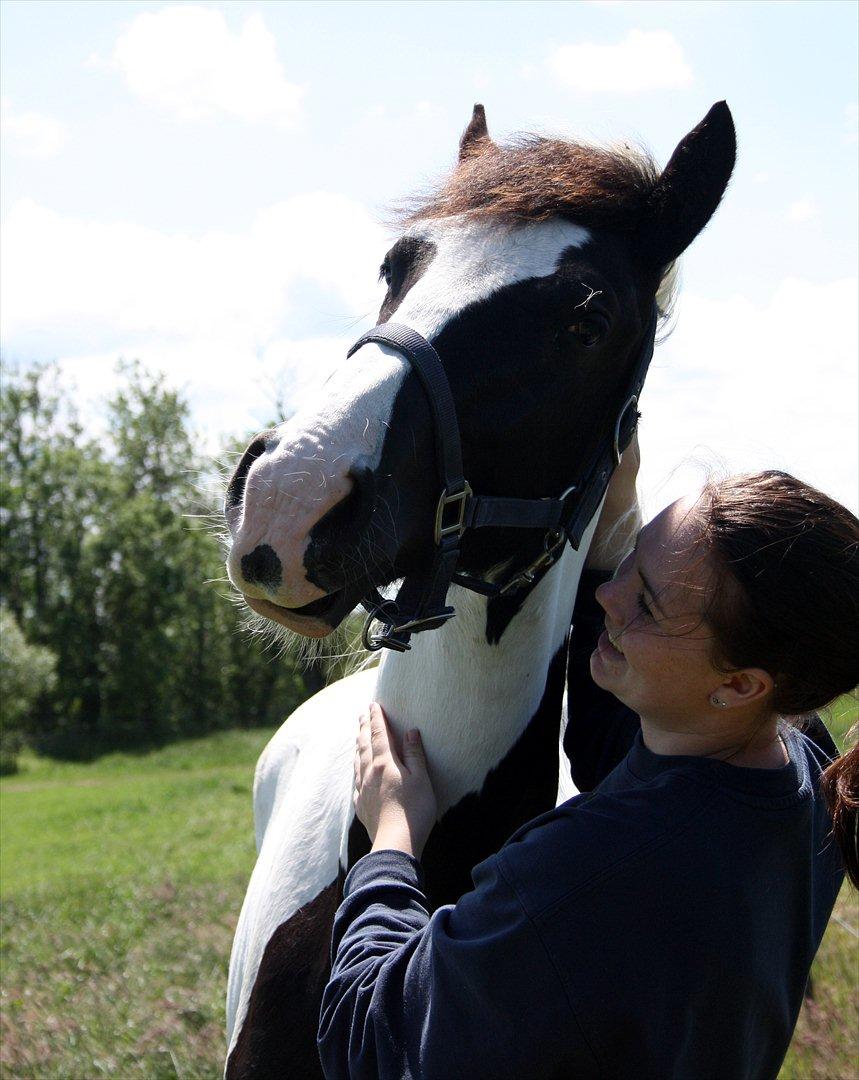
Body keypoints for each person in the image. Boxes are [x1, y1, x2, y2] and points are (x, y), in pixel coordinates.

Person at [317, 442, 859, 1080]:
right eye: (633, 558)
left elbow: (374, 1041)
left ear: (740, 685)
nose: (611, 596)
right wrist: (611, 523)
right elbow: (613, 745)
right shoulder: (807, 769)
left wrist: (392, 838)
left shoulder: (585, 875)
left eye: (649, 605)